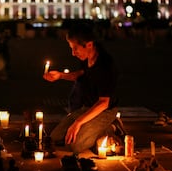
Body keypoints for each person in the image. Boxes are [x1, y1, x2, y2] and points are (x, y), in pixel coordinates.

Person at [43, 22, 125, 154]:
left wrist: (78, 123)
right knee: (55, 137)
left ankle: (112, 128)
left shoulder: (105, 65)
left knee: (74, 145)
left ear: (89, 44)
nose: (73, 53)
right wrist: (60, 76)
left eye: (75, 48)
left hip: (104, 111)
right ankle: (95, 130)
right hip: (87, 107)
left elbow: (104, 103)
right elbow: (82, 74)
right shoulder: (87, 57)